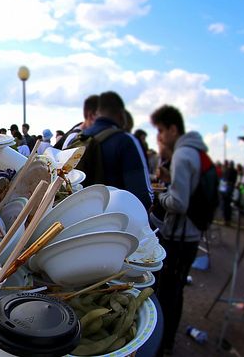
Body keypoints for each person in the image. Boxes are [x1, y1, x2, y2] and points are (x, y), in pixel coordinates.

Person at [149, 105, 209, 354]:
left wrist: (159, 197)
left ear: (174, 129)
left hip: (180, 236)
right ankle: (168, 341)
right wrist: (172, 180)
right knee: (176, 290)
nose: (159, 137)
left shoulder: (183, 154)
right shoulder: (195, 151)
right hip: (192, 234)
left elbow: (180, 203)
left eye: (161, 130)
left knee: (169, 293)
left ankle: (163, 344)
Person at [74, 91, 152, 210]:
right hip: (117, 222)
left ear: (98, 112)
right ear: (121, 114)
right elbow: (143, 196)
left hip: (80, 218)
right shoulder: (126, 140)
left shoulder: (79, 138)